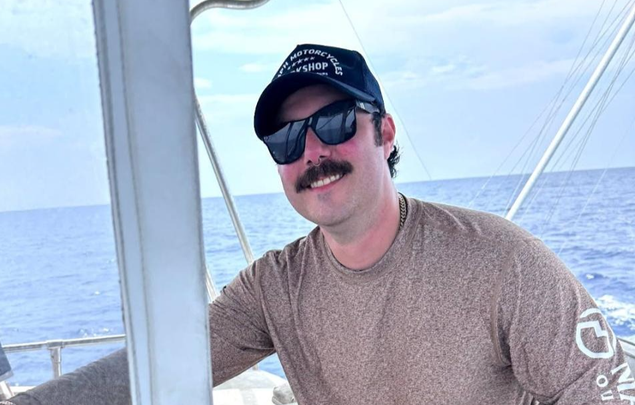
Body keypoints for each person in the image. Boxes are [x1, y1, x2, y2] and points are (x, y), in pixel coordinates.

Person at [208, 44, 635, 404]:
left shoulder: (506, 262)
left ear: (385, 133)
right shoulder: (272, 288)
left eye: (335, 122)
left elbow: (605, 394)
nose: (312, 151)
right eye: (286, 139)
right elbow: (172, 359)